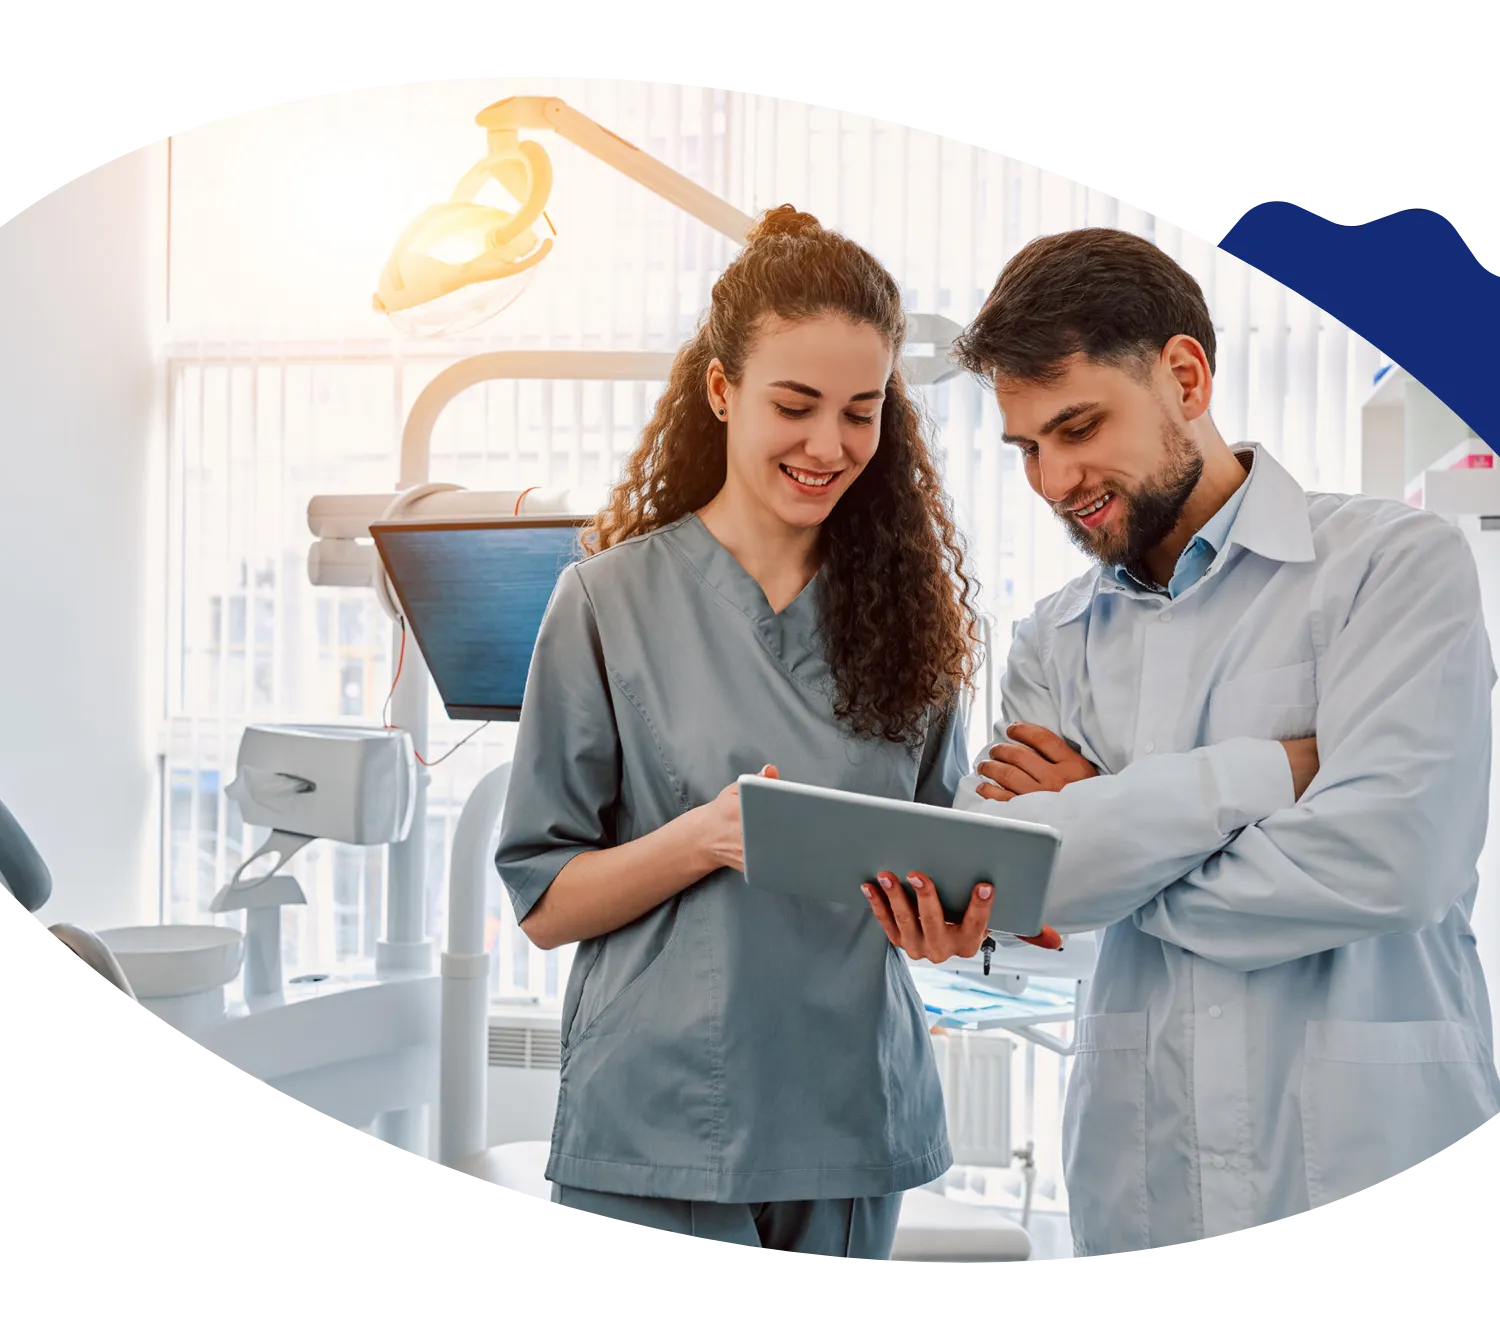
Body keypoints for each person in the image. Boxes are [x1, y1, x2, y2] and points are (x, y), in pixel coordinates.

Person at [861, 226, 1500, 1258]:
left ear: (1186, 376)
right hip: (1143, 1177)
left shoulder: (1390, 570)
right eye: (1026, 448)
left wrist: (1104, 833)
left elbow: (1393, 863)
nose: (1054, 480)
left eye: (1078, 427)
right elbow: (1012, 886)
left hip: (1368, 1142)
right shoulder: (1053, 638)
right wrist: (1262, 774)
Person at [493, 204, 1006, 1262]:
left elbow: (943, 858)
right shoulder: (608, 601)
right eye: (795, 405)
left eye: (861, 412)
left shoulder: (914, 624)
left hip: (849, 1116)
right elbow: (545, 902)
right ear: (723, 390)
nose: (830, 446)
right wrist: (709, 837)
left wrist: (952, 923)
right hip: (657, 1118)